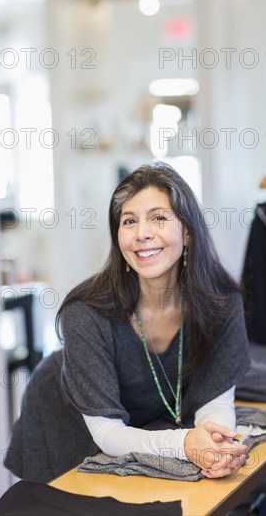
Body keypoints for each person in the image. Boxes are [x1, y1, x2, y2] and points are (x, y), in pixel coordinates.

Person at [56, 161, 250, 479]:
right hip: (76, 438)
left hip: (157, 433)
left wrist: (217, 444)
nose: (142, 234)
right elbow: (107, 433)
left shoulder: (222, 303)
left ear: (187, 231)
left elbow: (215, 401)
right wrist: (186, 443)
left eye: (159, 218)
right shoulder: (85, 312)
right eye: (129, 221)